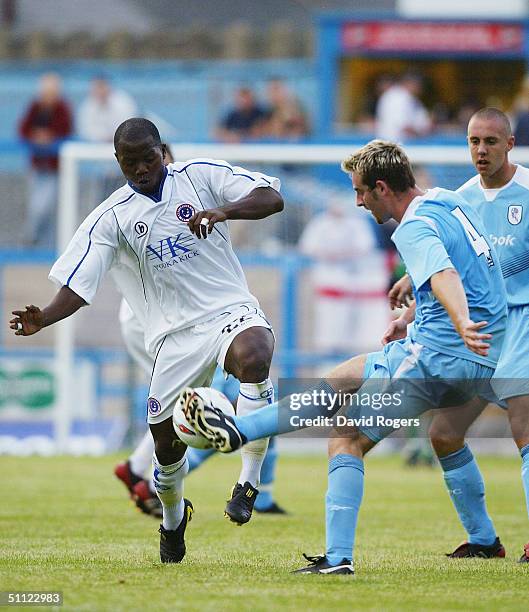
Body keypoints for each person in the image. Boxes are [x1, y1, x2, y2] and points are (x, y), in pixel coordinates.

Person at [180, 139, 507, 575]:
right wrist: (413, 310)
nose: (356, 202)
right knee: (370, 395)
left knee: (345, 435)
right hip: (483, 353)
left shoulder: (411, 228)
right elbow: (467, 262)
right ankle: (484, 540)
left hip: (440, 357)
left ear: (381, 188)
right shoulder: (446, 201)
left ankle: (335, 557)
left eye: (359, 191)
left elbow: (446, 273)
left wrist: (460, 320)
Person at [9, 117, 284, 564]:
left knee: (255, 354)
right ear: (118, 162)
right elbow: (80, 287)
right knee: (165, 446)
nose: (141, 169)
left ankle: (248, 483)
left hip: (229, 310)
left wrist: (223, 211)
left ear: (162, 151)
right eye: (130, 162)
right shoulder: (110, 218)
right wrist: (45, 317)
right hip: (172, 339)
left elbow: (272, 197)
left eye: (148, 158)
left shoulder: (200, 176)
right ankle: (173, 520)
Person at [389, 107, 529, 563]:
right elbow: (450, 268)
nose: (481, 151)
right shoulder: (460, 199)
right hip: (475, 333)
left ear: (510, 144)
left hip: (522, 322)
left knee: (524, 427)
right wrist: (412, 302)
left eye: (490, 141)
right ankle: (485, 540)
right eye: (474, 142)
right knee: (445, 434)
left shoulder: (527, 191)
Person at [114, 298, 287, 517]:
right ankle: (150, 485)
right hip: (179, 317)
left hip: (146, 314)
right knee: (207, 410)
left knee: (192, 404)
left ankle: (136, 466)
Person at [298, 201, 387, 355]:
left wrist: (343, 254)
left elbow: (365, 247)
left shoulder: (355, 222)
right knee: (328, 333)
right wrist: (330, 254)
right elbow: (307, 247)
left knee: (358, 337)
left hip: (353, 286)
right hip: (327, 285)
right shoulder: (320, 222)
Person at [18, 73, 73, 248]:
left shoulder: (63, 108)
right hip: (36, 166)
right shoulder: (35, 106)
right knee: (36, 206)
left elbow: (65, 130)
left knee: (44, 207)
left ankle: (34, 240)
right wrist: (36, 136)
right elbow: (23, 129)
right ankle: (37, 245)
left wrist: (49, 137)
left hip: (54, 168)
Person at [77, 76, 138, 143]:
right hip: (97, 143)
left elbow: (129, 124)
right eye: (96, 88)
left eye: (101, 87)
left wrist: (114, 136)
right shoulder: (87, 105)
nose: (99, 91)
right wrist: (103, 137)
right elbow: (85, 129)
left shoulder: (123, 101)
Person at [375, 72, 431, 142]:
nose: (420, 87)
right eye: (417, 84)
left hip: (403, 143)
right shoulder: (396, 96)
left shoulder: (411, 98)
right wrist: (421, 134)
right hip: (393, 143)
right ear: (408, 82)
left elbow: (424, 122)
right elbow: (403, 126)